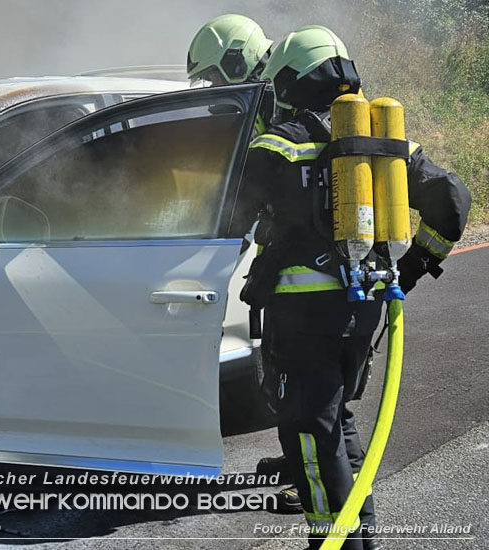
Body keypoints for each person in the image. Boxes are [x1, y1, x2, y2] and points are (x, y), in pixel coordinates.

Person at [230, 25, 471, 550]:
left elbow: (228, 217)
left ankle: (333, 542)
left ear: (289, 81)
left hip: (302, 319)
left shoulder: (276, 146)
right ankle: (363, 539)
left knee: (308, 433)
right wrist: (412, 267)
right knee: (336, 421)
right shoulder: (386, 144)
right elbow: (453, 198)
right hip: (364, 309)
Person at [188, 14, 302, 512]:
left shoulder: (280, 104)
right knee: (283, 369)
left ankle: (318, 478)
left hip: (306, 263)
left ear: (237, 61)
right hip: (286, 258)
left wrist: (230, 234)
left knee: (309, 378)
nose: (214, 88)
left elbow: (261, 184)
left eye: (215, 76)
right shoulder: (267, 99)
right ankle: (299, 458)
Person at [187, 13, 278, 133]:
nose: (212, 87)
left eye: (213, 77)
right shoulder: (243, 112)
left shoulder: (276, 114)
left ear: (236, 65)